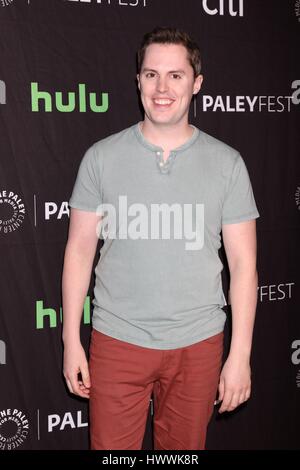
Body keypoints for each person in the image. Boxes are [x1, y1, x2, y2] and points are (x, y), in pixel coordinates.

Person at [62, 27, 260, 450]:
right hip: (117, 341)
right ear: (138, 82)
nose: (162, 87)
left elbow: (244, 267)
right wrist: (69, 341)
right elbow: (79, 251)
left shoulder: (228, 164)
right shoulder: (100, 158)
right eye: (151, 75)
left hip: (199, 343)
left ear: (197, 83)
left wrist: (240, 355)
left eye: (175, 75)